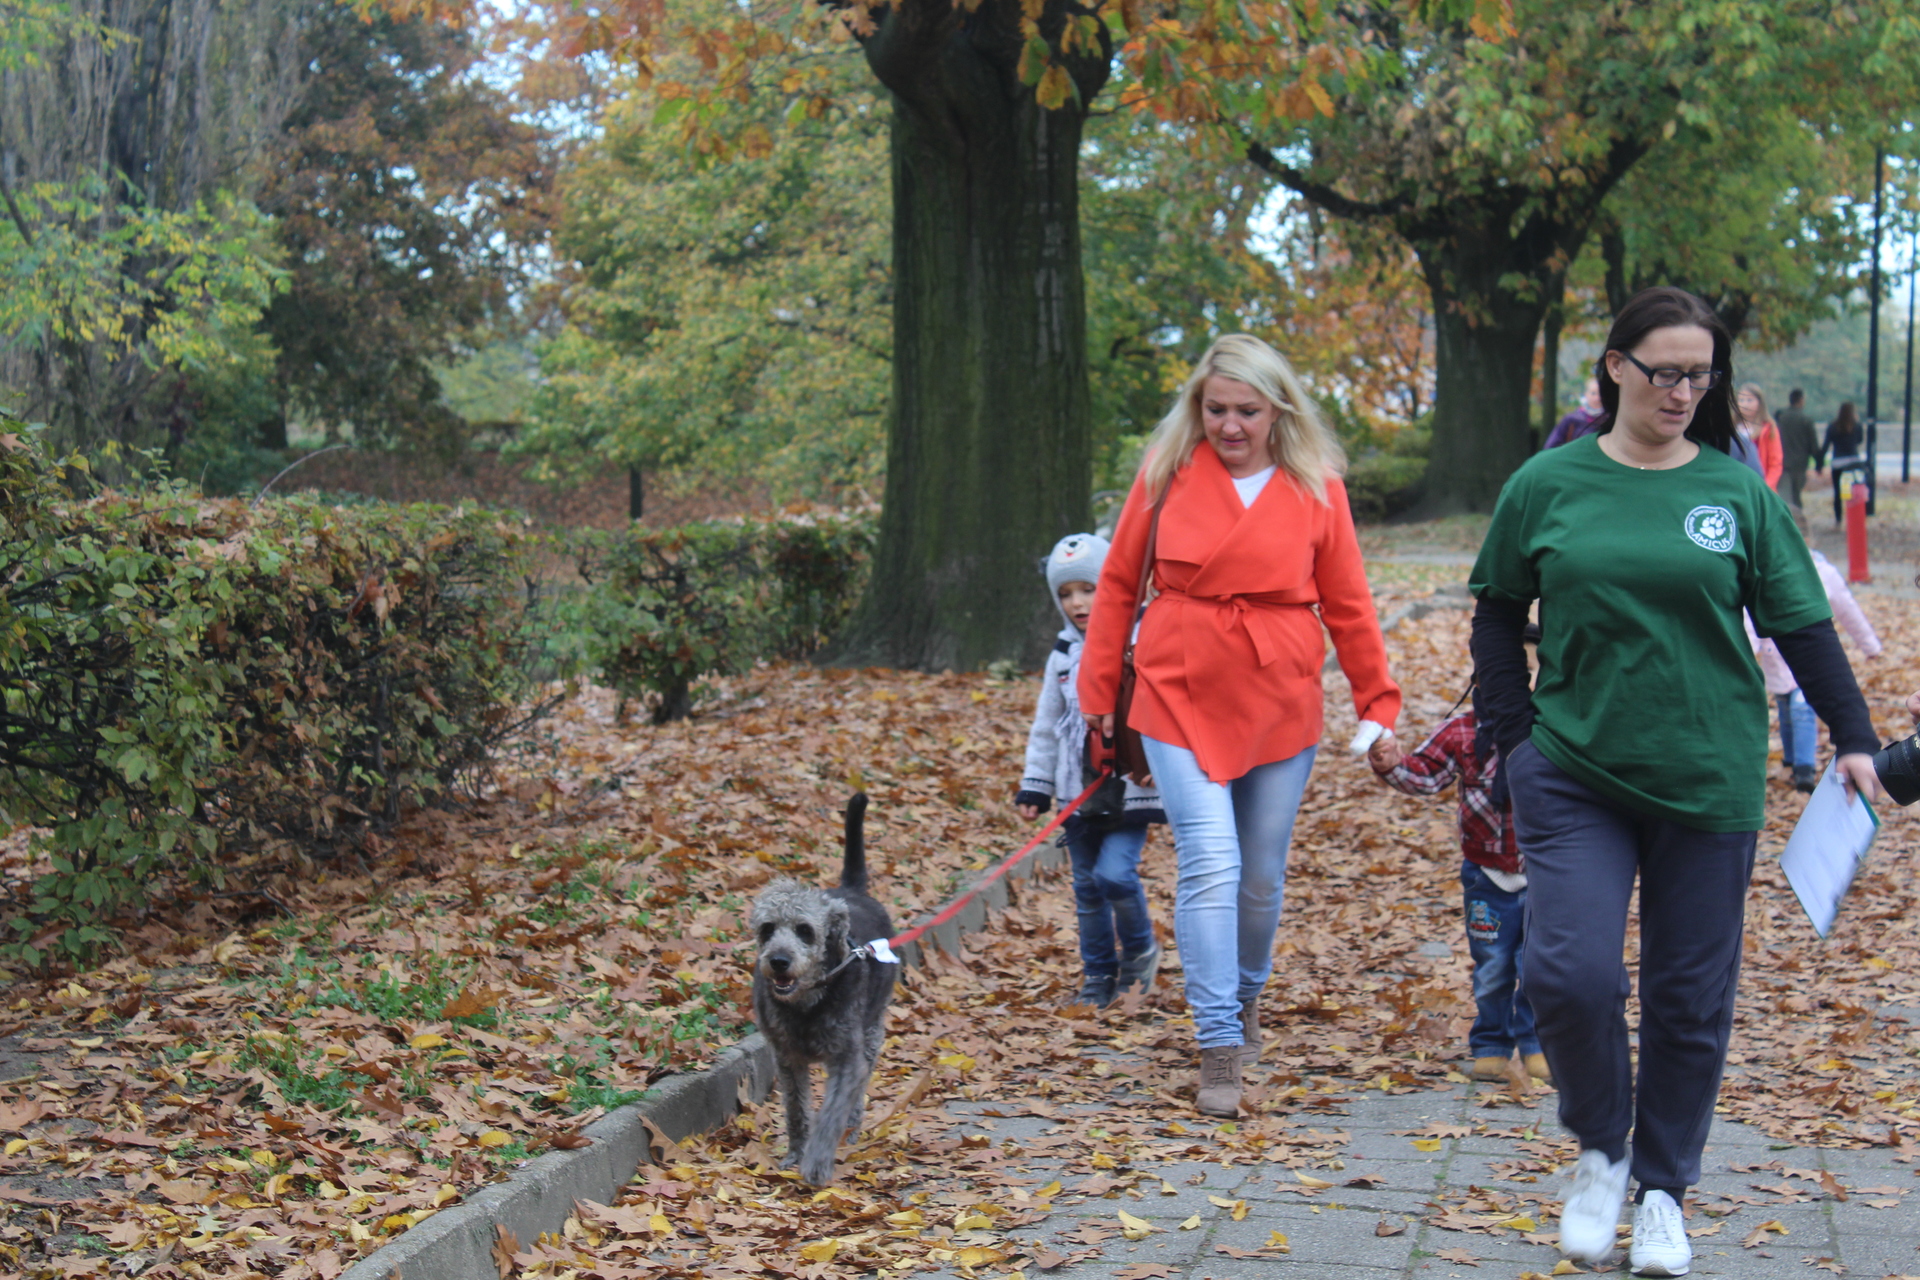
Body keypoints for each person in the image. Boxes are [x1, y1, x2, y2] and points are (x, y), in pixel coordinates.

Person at [1469, 287, 1881, 1277]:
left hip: (1706, 774)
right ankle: (1602, 1150)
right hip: (1573, 766)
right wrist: (1513, 736)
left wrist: (1854, 735)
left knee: (1690, 998)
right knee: (1568, 973)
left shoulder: (1737, 493)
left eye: (1700, 374)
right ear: (1615, 367)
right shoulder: (1546, 482)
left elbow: (1801, 623)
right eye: (1665, 370)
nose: (1684, 390)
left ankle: (1662, 1189)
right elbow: (1496, 612)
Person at [1078, 333, 1400, 1118]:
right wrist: (1096, 690)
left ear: (1277, 409)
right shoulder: (1164, 476)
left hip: (1279, 691)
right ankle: (1217, 1040)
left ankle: (1246, 992)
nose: (1229, 425)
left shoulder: (1316, 487)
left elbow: (1350, 604)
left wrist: (1377, 704)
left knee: (1260, 875)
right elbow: (1119, 582)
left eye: (1246, 411)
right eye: (1215, 409)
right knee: (1210, 862)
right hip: (1175, 684)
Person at [1367, 681, 1546, 1087]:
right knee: (1494, 966)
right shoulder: (1463, 732)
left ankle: (1536, 1043)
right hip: (1487, 874)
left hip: (1545, 873)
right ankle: (1491, 1047)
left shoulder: (1557, 728)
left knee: (1537, 966)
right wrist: (1391, 762)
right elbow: (1424, 775)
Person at [1015, 533, 1164, 1009]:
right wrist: (1035, 786)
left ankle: (1140, 950)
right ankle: (1098, 972)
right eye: (1065, 594)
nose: (1077, 603)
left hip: (1130, 790)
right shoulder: (1062, 654)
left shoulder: (1143, 641)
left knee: (1115, 875)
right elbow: (1046, 727)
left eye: (1088, 589)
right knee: (1086, 889)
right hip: (1077, 793)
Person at [1750, 544, 1882, 792]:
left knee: (1802, 710)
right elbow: (1748, 617)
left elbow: (1848, 610)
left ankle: (1804, 768)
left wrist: (1870, 645)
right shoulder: (1760, 568)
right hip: (1775, 663)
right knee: (1786, 711)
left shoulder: (1823, 572)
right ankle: (1791, 759)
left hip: (1808, 664)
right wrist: (1750, 647)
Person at [1774, 389, 1818, 511]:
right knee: (1796, 495)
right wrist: (1818, 464)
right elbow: (1813, 444)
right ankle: (1797, 519)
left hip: (1782, 462)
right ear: (1801, 400)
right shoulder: (1806, 419)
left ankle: (1787, 517)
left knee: (1784, 495)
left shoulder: (1781, 417)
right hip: (1800, 463)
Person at [1736, 384, 1783, 490]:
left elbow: (1775, 463)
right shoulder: (1731, 428)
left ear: (1759, 402)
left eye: (1749, 400)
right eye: (1741, 400)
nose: (1745, 404)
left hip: (1760, 484)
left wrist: (1766, 487)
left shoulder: (1769, 429)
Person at [1543, 378, 1604, 449]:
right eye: (1593, 393)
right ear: (1586, 394)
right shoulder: (1571, 419)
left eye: (1601, 394)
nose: (1597, 398)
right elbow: (1551, 446)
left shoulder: (1610, 420)